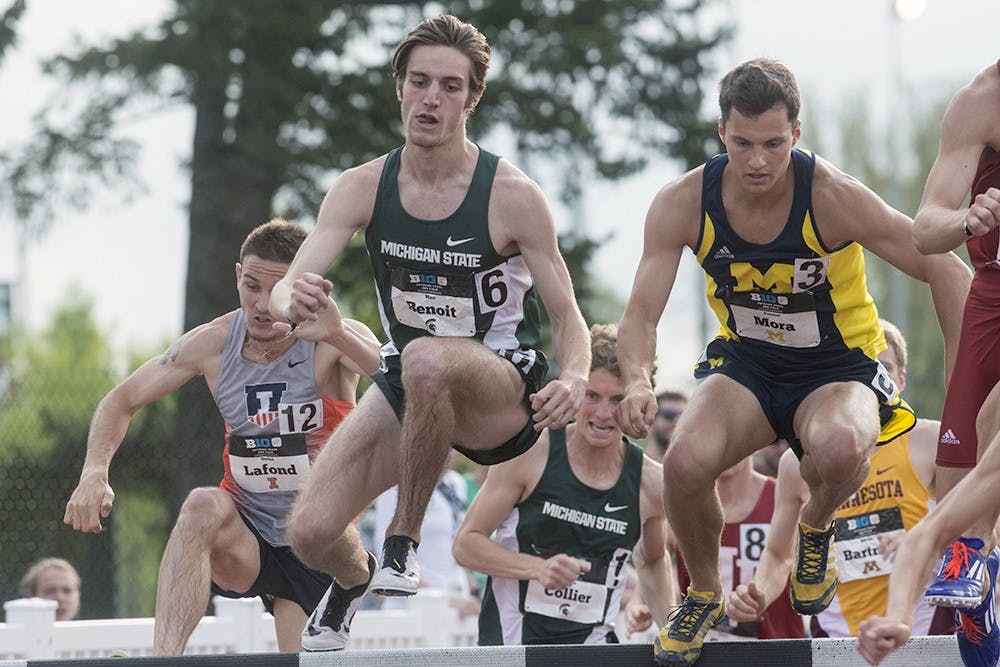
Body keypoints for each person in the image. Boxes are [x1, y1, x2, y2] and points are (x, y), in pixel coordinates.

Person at [614, 58, 971, 666]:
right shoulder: (683, 202)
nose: (757, 161)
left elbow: (939, 263)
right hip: (749, 367)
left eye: (774, 144)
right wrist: (635, 380)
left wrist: (970, 380)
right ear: (721, 131)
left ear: (796, 135)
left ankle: (815, 527)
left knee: (835, 450)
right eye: (743, 143)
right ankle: (702, 593)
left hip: (837, 366)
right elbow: (642, 313)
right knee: (683, 463)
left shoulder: (832, 196)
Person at [267, 14, 591, 652]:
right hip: (410, 385)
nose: (431, 99)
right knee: (306, 532)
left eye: (449, 86)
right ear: (400, 89)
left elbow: (567, 314)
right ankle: (355, 579)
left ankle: (401, 544)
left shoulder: (512, 196)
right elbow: (289, 284)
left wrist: (575, 375)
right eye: (420, 83)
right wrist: (287, 295)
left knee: (426, 359)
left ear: (471, 99)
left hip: (500, 389)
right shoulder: (362, 187)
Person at [63, 219, 381, 655]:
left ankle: (357, 574)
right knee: (201, 505)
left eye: (278, 290)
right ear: (237, 277)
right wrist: (94, 470)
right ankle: (165, 661)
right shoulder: (213, 343)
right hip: (248, 532)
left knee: (300, 655)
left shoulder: (332, 337)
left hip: (316, 540)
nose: (262, 304)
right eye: (251, 286)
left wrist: (340, 334)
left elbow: (403, 386)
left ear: (304, 287)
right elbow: (121, 400)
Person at [858, 61, 1000, 667]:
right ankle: (978, 578)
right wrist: (968, 219)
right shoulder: (982, 101)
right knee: (961, 474)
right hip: (995, 289)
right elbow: (924, 227)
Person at [452, 324, 675, 645]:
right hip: (515, 647)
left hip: (595, 649)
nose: (603, 414)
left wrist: (668, 624)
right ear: (576, 391)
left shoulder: (651, 481)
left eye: (617, 400)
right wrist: (536, 568)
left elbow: (653, 559)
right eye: (592, 395)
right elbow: (466, 544)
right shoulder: (529, 452)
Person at [729, 320, 940, 639]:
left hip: (925, 626)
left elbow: (984, 531)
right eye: (860, 367)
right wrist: (759, 593)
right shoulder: (796, 463)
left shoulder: (932, 442)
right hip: (837, 635)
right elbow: (777, 554)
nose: (871, 380)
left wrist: (926, 537)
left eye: (883, 368)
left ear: (900, 378)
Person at [373, 451, 481, 618]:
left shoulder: (455, 483)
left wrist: (473, 590)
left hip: (459, 608)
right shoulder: (395, 488)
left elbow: (450, 542)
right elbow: (387, 558)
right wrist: (446, 600)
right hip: (412, 611)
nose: (449, 453)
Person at [645, 390, 688, 461]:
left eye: (683, 416)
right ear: (650, 422)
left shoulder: (697, 469)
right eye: (669, 415)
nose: (677, 422)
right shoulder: (634, 466)